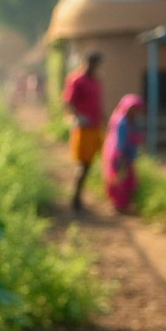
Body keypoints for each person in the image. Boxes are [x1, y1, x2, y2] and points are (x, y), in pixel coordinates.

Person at [62, 52, 104, 212]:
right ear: (87, 62)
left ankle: (78, 197)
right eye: (94, 64)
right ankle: (75, 199)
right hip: (83, 128)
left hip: (94, 128)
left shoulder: (96, 81)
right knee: (82, 164)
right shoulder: (76, 80)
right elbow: (68, 102)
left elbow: (97, 103)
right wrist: (78, 117)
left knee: (89, 164)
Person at [103, 94, 145, 213]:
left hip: (126, 155)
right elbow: (120, 142)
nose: (135, 112)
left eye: (136, 109)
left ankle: (123, 204)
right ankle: (118, 205)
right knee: (121, 181)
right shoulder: (122, 121)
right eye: (133, 109)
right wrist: (121, 157)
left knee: (126, 180)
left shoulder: (132, 120)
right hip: (120, 155)